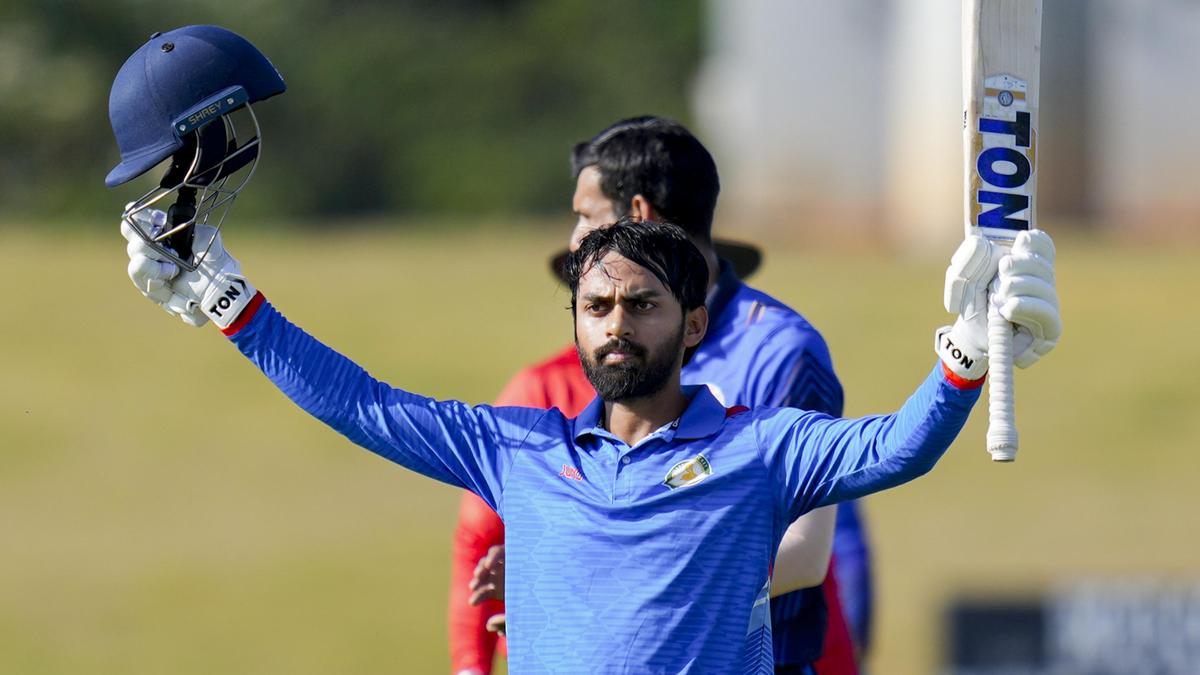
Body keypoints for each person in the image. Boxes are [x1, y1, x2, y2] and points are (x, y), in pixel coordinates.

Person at [119, 209, 1060, 673]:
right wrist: (228, 299)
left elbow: (896, 447)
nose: (617, 325)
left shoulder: (762, 448)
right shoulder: (519, 450)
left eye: (643, 305)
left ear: (694, 324)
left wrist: (967, 352)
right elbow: (361, 404)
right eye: (597, 305)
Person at [448, 116, 861, 675]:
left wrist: (588, 579)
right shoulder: (610, 361)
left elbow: (807, 553)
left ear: (638, 215)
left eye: (587, 216)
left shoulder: (780, 349)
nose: (573, 240)